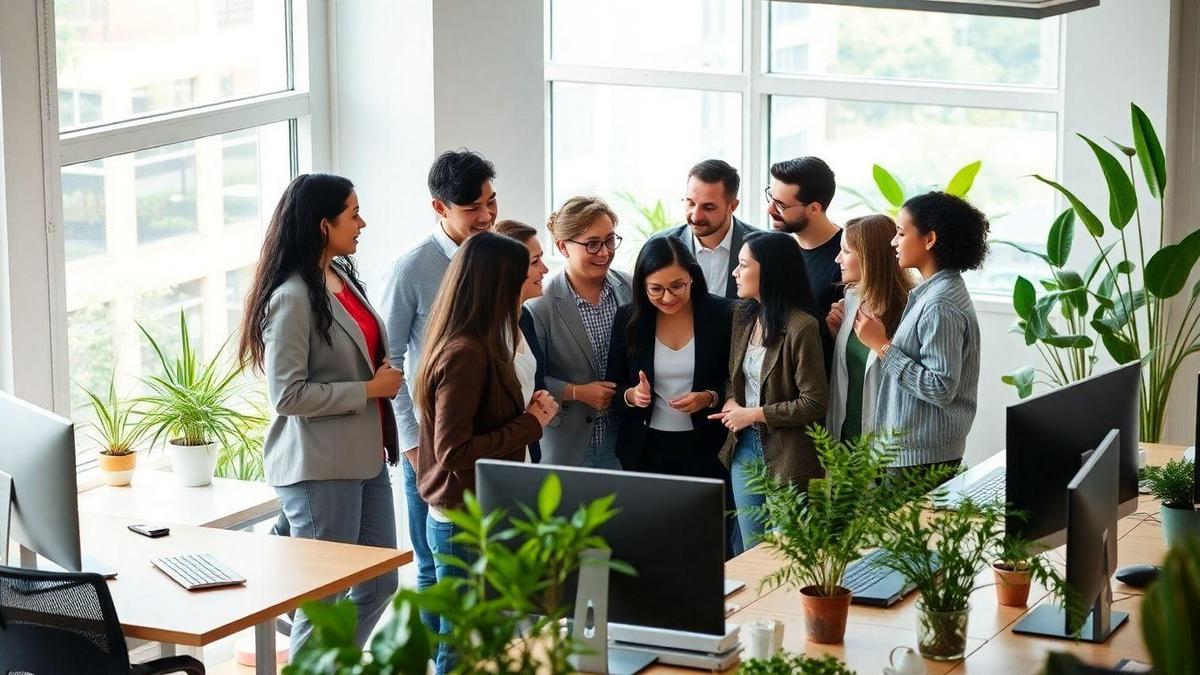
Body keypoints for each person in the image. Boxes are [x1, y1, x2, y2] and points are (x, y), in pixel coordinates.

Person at [239, 174, 402, 657]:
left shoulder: (342, 274)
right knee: (324, 599)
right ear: (323, 224)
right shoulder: (291, 297)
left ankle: (331, 666)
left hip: (365, 459)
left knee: (380, 582)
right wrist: (369, 388)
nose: (362, 222)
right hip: (319, 468)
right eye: (353, 214)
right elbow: (287, 396)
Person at [414, 232, 559, 673]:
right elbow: (454, 451)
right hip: (464, 518)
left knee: (488, 643)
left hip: (488, 507)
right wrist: (531, 423)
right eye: (525, 272)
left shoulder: (487, 338)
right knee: (460, 650)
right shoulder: (466, 352)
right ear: (501, 284)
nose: (538, 275)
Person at [378, 149, 497, 631]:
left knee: (487, 568)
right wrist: (410, 441)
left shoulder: (495, 256)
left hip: (485, 439)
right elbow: (390, 364)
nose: (487, 216)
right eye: (473, 209)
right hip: (429, 444)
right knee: (433, 566)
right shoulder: (411, 269)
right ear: (440, 208)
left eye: (491, 202)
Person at [710, 231, 829, 554]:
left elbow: (814, 402)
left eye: (743, 265)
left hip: (788, 453)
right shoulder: (742, 316)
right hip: (744, 448)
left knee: (788, 555)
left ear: (770, 271)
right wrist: (732, 400)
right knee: (751, 551)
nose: (736, 272)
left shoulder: (802, 327)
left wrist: (754, 414)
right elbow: (733, 377)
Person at [854, 191, 985, 470]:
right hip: (918, 454)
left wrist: (881, 346)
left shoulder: (940, 304)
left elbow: (939, 387)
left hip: (921, 460)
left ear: (930, 239)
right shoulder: (934, 293)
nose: (893, 242)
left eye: (901, 233)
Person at [606, 236, 732, 478]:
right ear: (642, 286)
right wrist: (633, 396)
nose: (667, 297)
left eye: (677, 286)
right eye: (656, 289)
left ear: (692, 278)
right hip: (644, 447)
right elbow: (614, 389)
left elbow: (737, 381)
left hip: (708, 446)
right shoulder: (628, 319)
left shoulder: (722, 314)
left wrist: (709, 397)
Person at [526, 196, 633, 468]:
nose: (605, 252)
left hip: (623, 439)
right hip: (566, 443)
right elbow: (529, 377)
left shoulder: (631, 289)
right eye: (592, 244)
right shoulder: (539, 305)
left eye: (610, 240)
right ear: (563, 247)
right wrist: (576, 391)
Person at [825, 215, 915, 444]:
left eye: (845, 251)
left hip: (887, 443)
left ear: (868, 257)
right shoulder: (852, 299)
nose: (837, 259)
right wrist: (838, 336)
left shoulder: (909, 309)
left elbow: (913, 383)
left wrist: (880, 342)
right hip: (844, 438)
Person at [658, 159, 757, 299]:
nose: (696, 216)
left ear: (732, 206)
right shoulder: (659, 245)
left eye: (708, 207)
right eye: (690, 203)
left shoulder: (761, 246)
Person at [496, 219, 550, 462]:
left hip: (528, 452)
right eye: (535, 262)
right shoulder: (487, 334)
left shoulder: (524, 316)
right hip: (500, 462)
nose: (545, 269)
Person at [764, 156, 844, 317]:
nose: (769, 210)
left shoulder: (846, 259)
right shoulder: (774, 247)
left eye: (780, 205)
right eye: (770, 197)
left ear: (814, 209)